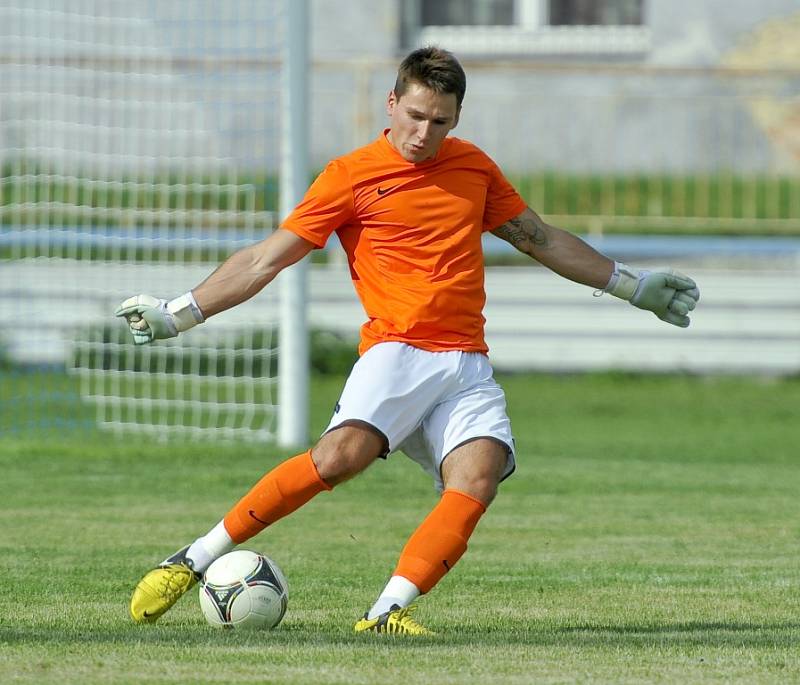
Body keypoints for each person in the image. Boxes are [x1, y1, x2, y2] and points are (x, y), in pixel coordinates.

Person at [116, 46, 699, 636]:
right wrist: (179, 313)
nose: (424, 133)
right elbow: (266, 260)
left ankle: (385, 611)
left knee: (480, 475)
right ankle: (191, 560)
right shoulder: (349, 175)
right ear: (392, 103)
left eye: (440, 121)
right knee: (340, 459)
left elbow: (539, 238)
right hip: (396, 351)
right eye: (415, 116)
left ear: (456, 118)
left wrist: (632, 284)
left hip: (466, 361)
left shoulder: (473, 168)